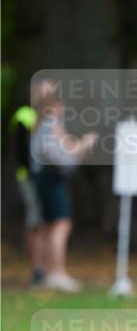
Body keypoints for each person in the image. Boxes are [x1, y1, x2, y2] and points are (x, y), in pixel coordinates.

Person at [29, 81, 98, 292]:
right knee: (61, 224)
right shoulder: (51, 124)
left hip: (45, 179)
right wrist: (84, 145)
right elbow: (64, 156)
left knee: (52, 226)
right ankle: (57, 273)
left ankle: (52, 273)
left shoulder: (42, 123)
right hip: (51, 179)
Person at [10, 99, 46, 287]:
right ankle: (37, 269)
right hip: (29, 177)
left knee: (44, 222)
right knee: (35, 222)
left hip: (44, 178)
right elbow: (21, 148)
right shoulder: (25, 115)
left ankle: (44, 267)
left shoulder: (48, 115)